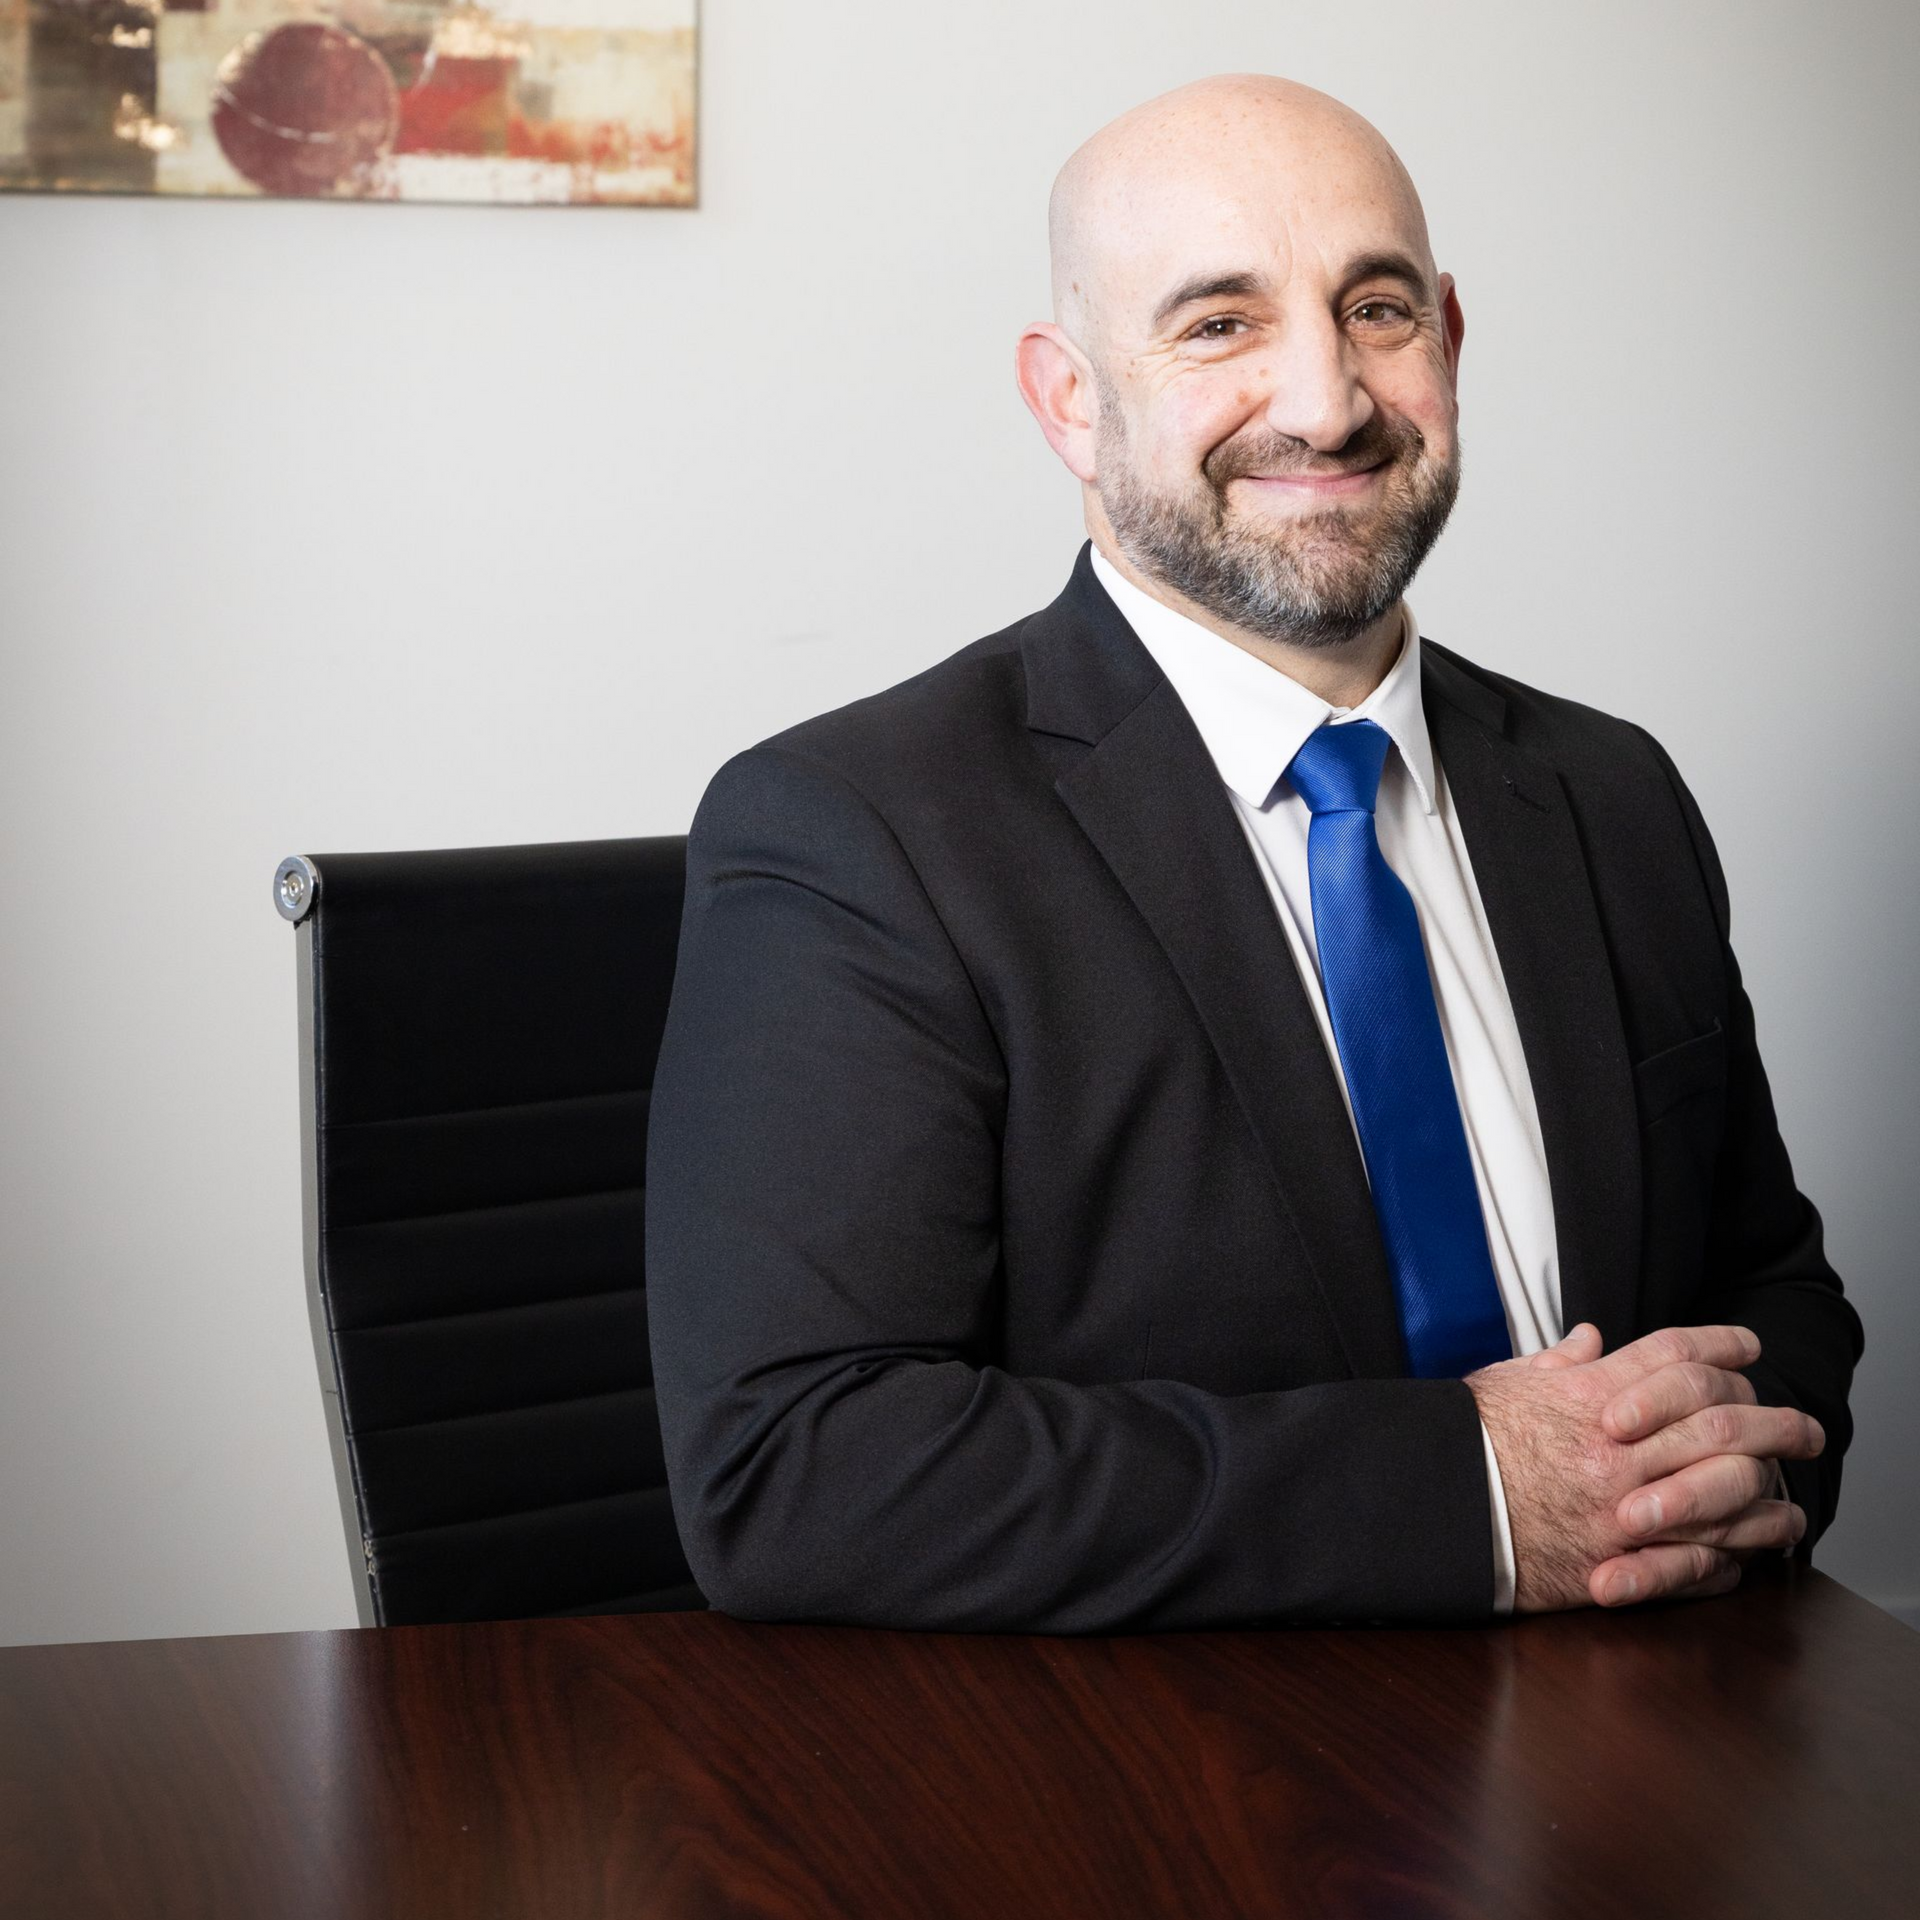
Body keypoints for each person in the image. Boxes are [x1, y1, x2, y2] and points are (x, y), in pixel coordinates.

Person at [644, 73, 1862, 1628]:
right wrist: (1486, 1494)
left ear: (1452, 343)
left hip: (1648, 1752)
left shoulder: (1611, 792)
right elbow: (796, 1466)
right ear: (1070, 397)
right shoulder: (858, 831)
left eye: (1377, 308)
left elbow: (1771, 1287)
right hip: (1158, 1806)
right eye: (1220, 324)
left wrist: (1724, 1483)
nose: (1327, 400)